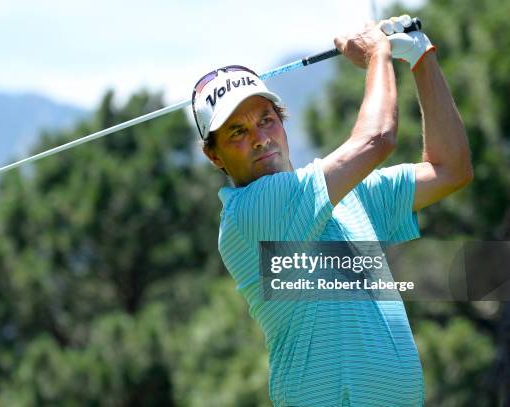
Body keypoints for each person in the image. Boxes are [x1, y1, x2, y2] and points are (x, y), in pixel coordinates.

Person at [190, 16, 473, 406]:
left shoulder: (347, 195)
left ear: (282, 123)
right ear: (213, 154)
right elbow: (376, 138)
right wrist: (378, 55)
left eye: (266, 121)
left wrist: (422, 57)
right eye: (237, 132)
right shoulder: (249, 213)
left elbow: (450, 170)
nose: (259, 139)